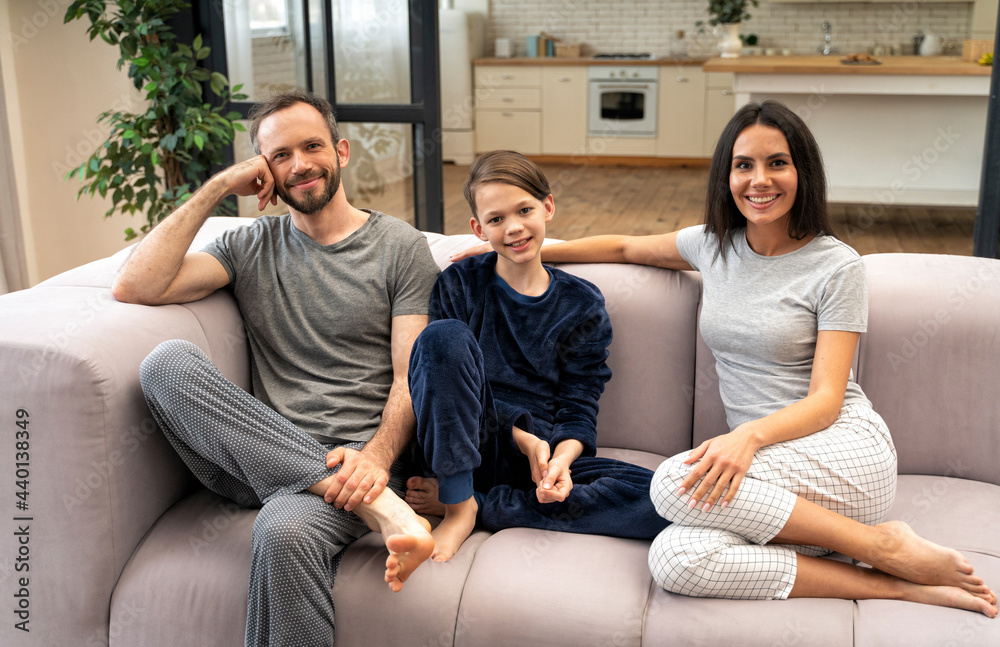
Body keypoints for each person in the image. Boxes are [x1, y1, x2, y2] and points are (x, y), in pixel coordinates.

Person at [451, 102, 997, 617]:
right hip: (773, 485)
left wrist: (749, 436)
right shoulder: (713, 245)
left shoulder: (838, 266)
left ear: (802, 171)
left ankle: (882, 543)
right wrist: (514, 248)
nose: (759, 180)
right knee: (674, 560)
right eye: (743, 165)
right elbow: (623, 248)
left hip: (840, 455)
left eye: (777, 163)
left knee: (668, 485)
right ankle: (892, 584)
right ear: (726, 177)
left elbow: (828, 401)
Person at [113, 90, 440, 646]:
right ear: (263, 170)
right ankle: (383, 511)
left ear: (341, 151)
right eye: (279, 155)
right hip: (259, 455)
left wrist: (378, 459)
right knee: (166, 362)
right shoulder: (247, 245)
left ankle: (361, 493)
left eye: (312, 146)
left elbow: (412, 375)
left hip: (357, 458)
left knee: (284, 530)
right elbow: (134, 285)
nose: (300, 165)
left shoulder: (400, 248)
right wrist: (216, 187)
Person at [403, 150, 668, 562]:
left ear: (547, 207)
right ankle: (458, 505)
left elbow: (580, 405)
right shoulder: (461, 283)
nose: (513, 228)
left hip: (536, 461)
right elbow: (441, 377)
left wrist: (558, 461)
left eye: (524, 210)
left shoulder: (581, 303)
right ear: (478, 229)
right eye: (496, 220)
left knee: (665, 498)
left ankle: (484, 503)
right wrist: (521, 437)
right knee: (442, 337)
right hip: (461, 444)